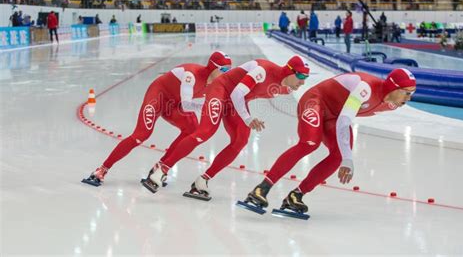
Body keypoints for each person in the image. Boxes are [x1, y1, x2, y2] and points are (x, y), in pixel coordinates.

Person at [244, 68, 416, 214]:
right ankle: (261, 189)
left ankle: (296, 195)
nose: (408, 99)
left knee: (338, 155)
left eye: (411, 94)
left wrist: (345, 157)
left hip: (334, 116)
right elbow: (344, 120)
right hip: (316, 101)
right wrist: (349, 158)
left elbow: (342, 117)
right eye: (406, 93)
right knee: (309, 143)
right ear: (394, 87)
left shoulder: (393, 104)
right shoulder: (365, 88)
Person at [142, 56, 310, 197]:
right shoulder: (263, 70)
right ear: (290, 71)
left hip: (236, 103)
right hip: (221, 90)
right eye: (301, 77)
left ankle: (203, 180)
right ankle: (161, 170)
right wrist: (247, 118)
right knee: (205, 132)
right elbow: (238, 93)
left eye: (306, 78)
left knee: (240, 141)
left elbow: (244, 96)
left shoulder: (284, 88)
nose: (302, 82)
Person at [82, 52, 233, 186]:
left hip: (175, 104)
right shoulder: (191, 75)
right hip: (158, 97)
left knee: (192, 129)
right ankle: (102, 169)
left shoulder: (217, 84)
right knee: (141, 135)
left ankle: (159, 168)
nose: (227, 73)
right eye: (224, 70)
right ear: (214, 68)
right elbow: (187, 105)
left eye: (229, 70)